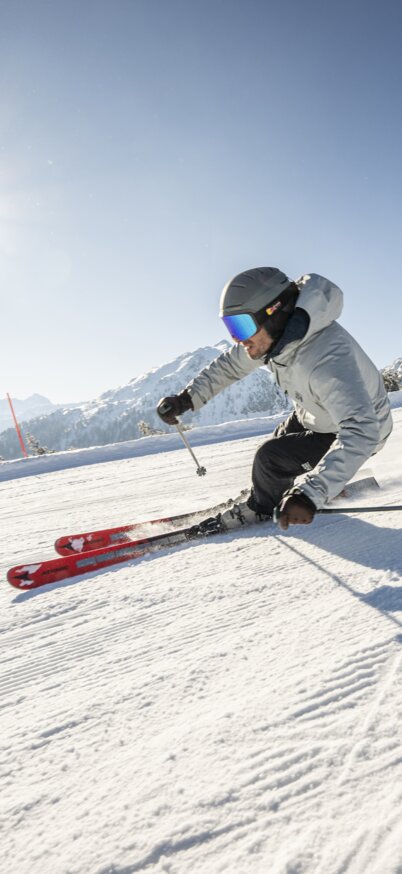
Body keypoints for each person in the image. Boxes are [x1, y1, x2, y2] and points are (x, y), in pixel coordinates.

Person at [157, 268, 393, 532]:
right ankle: (267, 491)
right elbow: (229, 366)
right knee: (275, 444)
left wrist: (310, 495)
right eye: (231, 328)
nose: (238, 339)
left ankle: (262, 507)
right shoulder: (276, 336)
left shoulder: (326, 359)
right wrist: (187, 399)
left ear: (274, 313)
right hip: (316, 414)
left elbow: (362, 430)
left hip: (361, 428)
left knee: (269, 458)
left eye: (241, 326)